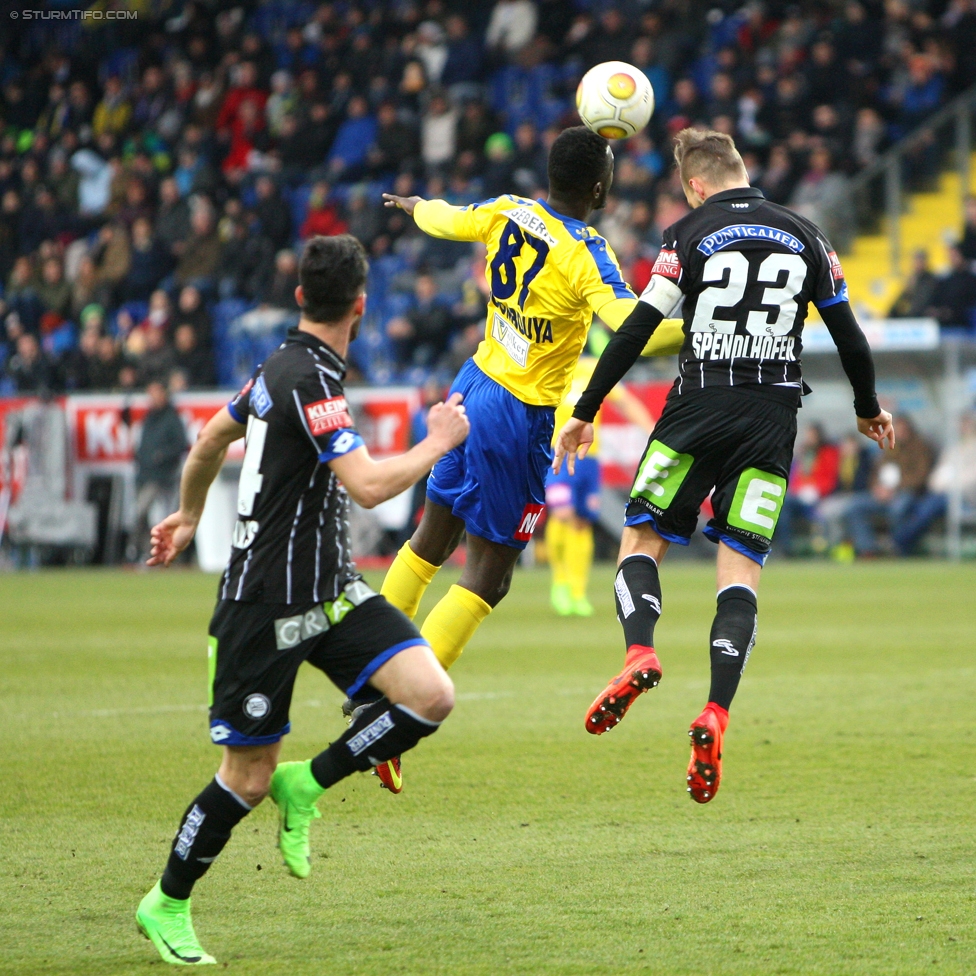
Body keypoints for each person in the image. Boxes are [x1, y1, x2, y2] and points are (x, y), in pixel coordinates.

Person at [134, 235, 469, 966]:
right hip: (263, 606)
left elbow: (207, 440)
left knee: (429, 695)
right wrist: (438, 440)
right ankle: (167, 901)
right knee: (244, 779)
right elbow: (371, 484)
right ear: (361, 304)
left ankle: (308, 785)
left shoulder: (278, 371)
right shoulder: (309, 380)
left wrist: (190, 516)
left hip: (330, 588)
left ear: (298, 299)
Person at [554, 128, 895, 804]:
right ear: (741, 172)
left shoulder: (687, 234)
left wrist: (587, 408)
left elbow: (637, 329)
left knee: (641, 538)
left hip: (698, 403)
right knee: (739, 571)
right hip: (772, 418)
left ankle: (639, 651)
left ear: (697, 185)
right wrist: (867, 407)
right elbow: (848, 332)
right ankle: (716, 712)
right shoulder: (806, 236)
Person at [377, 126, 683, 790]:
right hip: (516, 416)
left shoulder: (510, 209)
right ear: (600, 190)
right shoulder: (588, 254)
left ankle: (367, 672)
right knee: (489, 576)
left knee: (432, 537)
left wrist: (411, 206)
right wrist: (710, 322)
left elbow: (446, 218)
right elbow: (639, 333)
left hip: (471, 384)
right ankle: (395, 716)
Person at [546, 349, 656, 616]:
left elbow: (625, 402)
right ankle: (559, 582)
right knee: (562, 514)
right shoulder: (551, 364)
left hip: (588, 458)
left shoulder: (596, 368)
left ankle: (577, 591)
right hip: (557, 453)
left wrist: (653, 432)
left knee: (582, 523)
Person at [842, 415, 935, 556]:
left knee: (898, 509)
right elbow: (876, 472)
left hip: (907, 492)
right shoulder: (889, 448)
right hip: (883, 493)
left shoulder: (921, 447)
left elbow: (921, 476)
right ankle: (869, 549)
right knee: (854, 506)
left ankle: (898, 548)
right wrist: (878, 488)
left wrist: (895, 488)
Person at [133, 380, 188, 561]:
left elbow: (181, 445)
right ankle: (145, 551)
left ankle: (159, 552)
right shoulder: (149, 418)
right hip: (147, 474)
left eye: (155, 394)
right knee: (143, 515)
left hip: (163, 476)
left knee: (147, 513)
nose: (152, 399)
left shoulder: (172, 419)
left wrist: (162, 456)